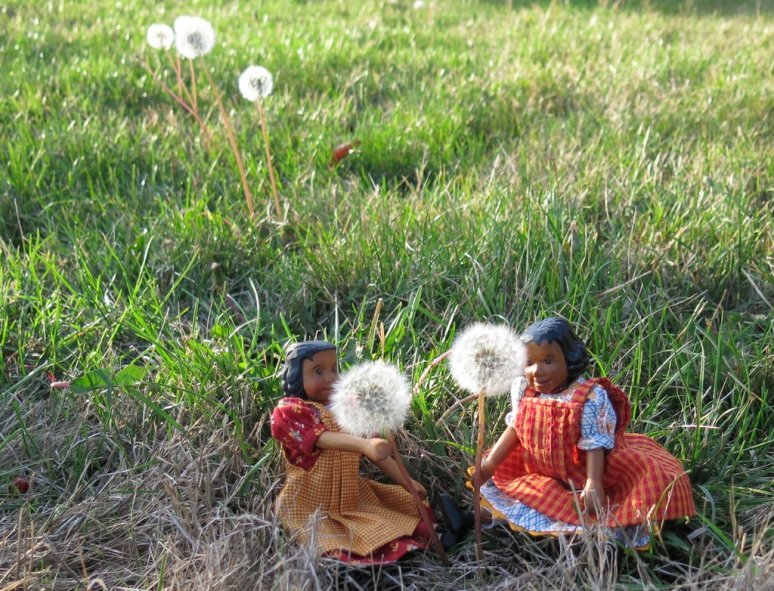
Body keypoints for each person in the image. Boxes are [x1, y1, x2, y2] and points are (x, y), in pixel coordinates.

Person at [469, 317, 696, 548]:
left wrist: (593, 482)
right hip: (538, 471)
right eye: (529, 362)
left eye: (548, 361)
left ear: (570, 358)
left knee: (603, 510)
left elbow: (594, 443)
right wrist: (491, 463)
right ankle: (478, 520)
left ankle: (588, 541)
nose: (536, 371)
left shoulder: (589, 397)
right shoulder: (524, 389)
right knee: (507, 496)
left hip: (580, 476)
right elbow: (516, 427)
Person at [270, 340, 434, 564]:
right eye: (318, 371)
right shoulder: (290, 411)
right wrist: (364, 445)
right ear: (296, 376)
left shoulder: (346, 408)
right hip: (310, 501)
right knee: (326, 538)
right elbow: (322, 439)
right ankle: (356, 565)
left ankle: (409, 548)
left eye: (334, 369)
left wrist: (407, 482)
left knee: (405, 512)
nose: (330, 377)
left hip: (351, 494)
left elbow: (377, 452)